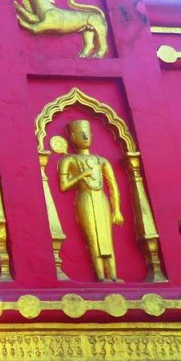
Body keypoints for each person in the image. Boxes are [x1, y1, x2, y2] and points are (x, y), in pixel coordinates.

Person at [57, 119, 124, 281]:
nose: (86, 136)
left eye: (88, 133)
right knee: (93, 238)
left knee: (107, 237)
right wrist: (82, 175)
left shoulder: (102, 161)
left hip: (102, 199)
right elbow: (64, 186)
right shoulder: (69, 160)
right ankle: (101, 277)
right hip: (84, 198)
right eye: (81, 134)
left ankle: (114, 276)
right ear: (72, 137)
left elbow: (113, 186)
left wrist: (117, 210)